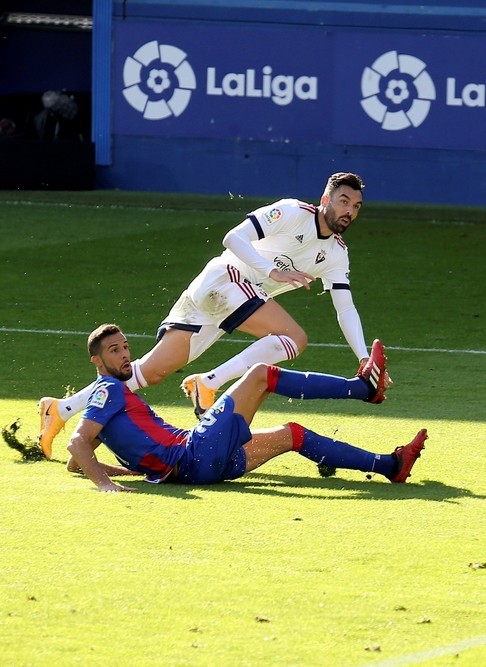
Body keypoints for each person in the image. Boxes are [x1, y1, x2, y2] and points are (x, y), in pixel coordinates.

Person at [39, 172, 384, 459]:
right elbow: (233, 237)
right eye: (343, 201)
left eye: (356, 206)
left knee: (151, 371)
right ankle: (209, 382)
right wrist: (270, 271)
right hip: (225, 279)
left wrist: (364, 358)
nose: (349, 211)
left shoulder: (336, 254)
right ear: (325, 199)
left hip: (228, 299)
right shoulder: (292, 212)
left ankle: (62, 409)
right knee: (294, 339)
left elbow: (345, 307)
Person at [66, 323, 423, 492]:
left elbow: (76, 460)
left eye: (125, 346)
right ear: (98, 362)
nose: (126, 354)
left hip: (200, 466)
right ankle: (363, 388)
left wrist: (134, 471)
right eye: (115, 351)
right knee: (259, 376)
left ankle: (390, 466)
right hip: (194, 455)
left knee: (292, 435)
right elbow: (77, 445)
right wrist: (105, 486)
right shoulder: (108, 390)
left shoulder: (110, 400)